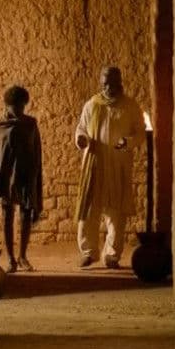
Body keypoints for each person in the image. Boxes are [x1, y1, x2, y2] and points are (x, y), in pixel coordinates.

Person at [73, 66, 144, 269]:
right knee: (89, 211)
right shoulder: (92, 104)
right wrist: (81, 139)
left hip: (117, 165)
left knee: (116, 213)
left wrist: (127, 142)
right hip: (94, 165)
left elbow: (139, 132)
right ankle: (88, 252)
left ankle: (112, 255)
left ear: (119, 83)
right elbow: (81, 128)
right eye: (105, 84)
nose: (108, 88)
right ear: (100, 83)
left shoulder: (130, 106)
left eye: (112, 84)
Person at [0, 85, 43, 273]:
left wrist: (35, 178)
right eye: (16, 107)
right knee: (7, 215)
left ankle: (22, 256)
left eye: (22, 106)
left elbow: (36, 152)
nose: (19, 110)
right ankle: (10, 258)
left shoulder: (30, 124)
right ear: (7, 105)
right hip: (5, 177)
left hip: (25, 175)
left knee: (25, 215)